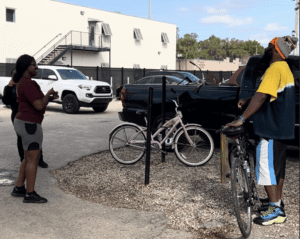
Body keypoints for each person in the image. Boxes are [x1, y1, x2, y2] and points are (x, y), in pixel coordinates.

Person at [226, 35, 298, 226]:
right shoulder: (285, 68)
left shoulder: (275, 69)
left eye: (269, 46)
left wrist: (241, 119)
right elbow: (269, 94)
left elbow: (261, 97)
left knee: (267, 170)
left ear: (276, 50)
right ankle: (277, 204)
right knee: (277, 170)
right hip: (281, 129)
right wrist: (249, 100)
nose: (267, 49)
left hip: (270, 129)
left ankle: (276, 212)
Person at [10, 54, 58, 203]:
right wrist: (49, 93)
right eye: (33, 64)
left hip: (23, 121)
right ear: (25, 67)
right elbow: (38, 105)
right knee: (33, 159)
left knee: (27, 157)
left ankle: (19, 188)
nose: (36, 67)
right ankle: (30, 194)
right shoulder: (27, 83)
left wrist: (48, 99)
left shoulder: (23, 82)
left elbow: (37, 102)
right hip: (29, 123)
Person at [2, 69, 48, 168]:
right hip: (17, 115)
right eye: (14, 75)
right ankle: (23, 159)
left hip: (31, 114)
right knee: (21, 138)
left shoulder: (27, 86)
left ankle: (40, 160)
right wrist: (9, 88)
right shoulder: (9, 88)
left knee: (35, 136)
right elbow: (6, 101)